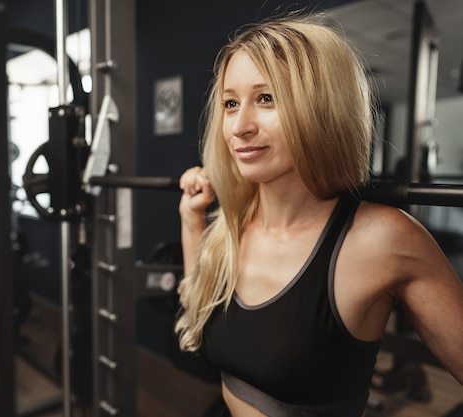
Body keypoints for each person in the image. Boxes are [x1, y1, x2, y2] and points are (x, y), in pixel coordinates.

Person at [175, 12, 463, 417]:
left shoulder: (383, 239)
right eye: (230, 103)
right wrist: (192, 222)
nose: (239, 126)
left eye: (266, 98)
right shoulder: (233, 224)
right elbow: (199, 335)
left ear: (320, 108)